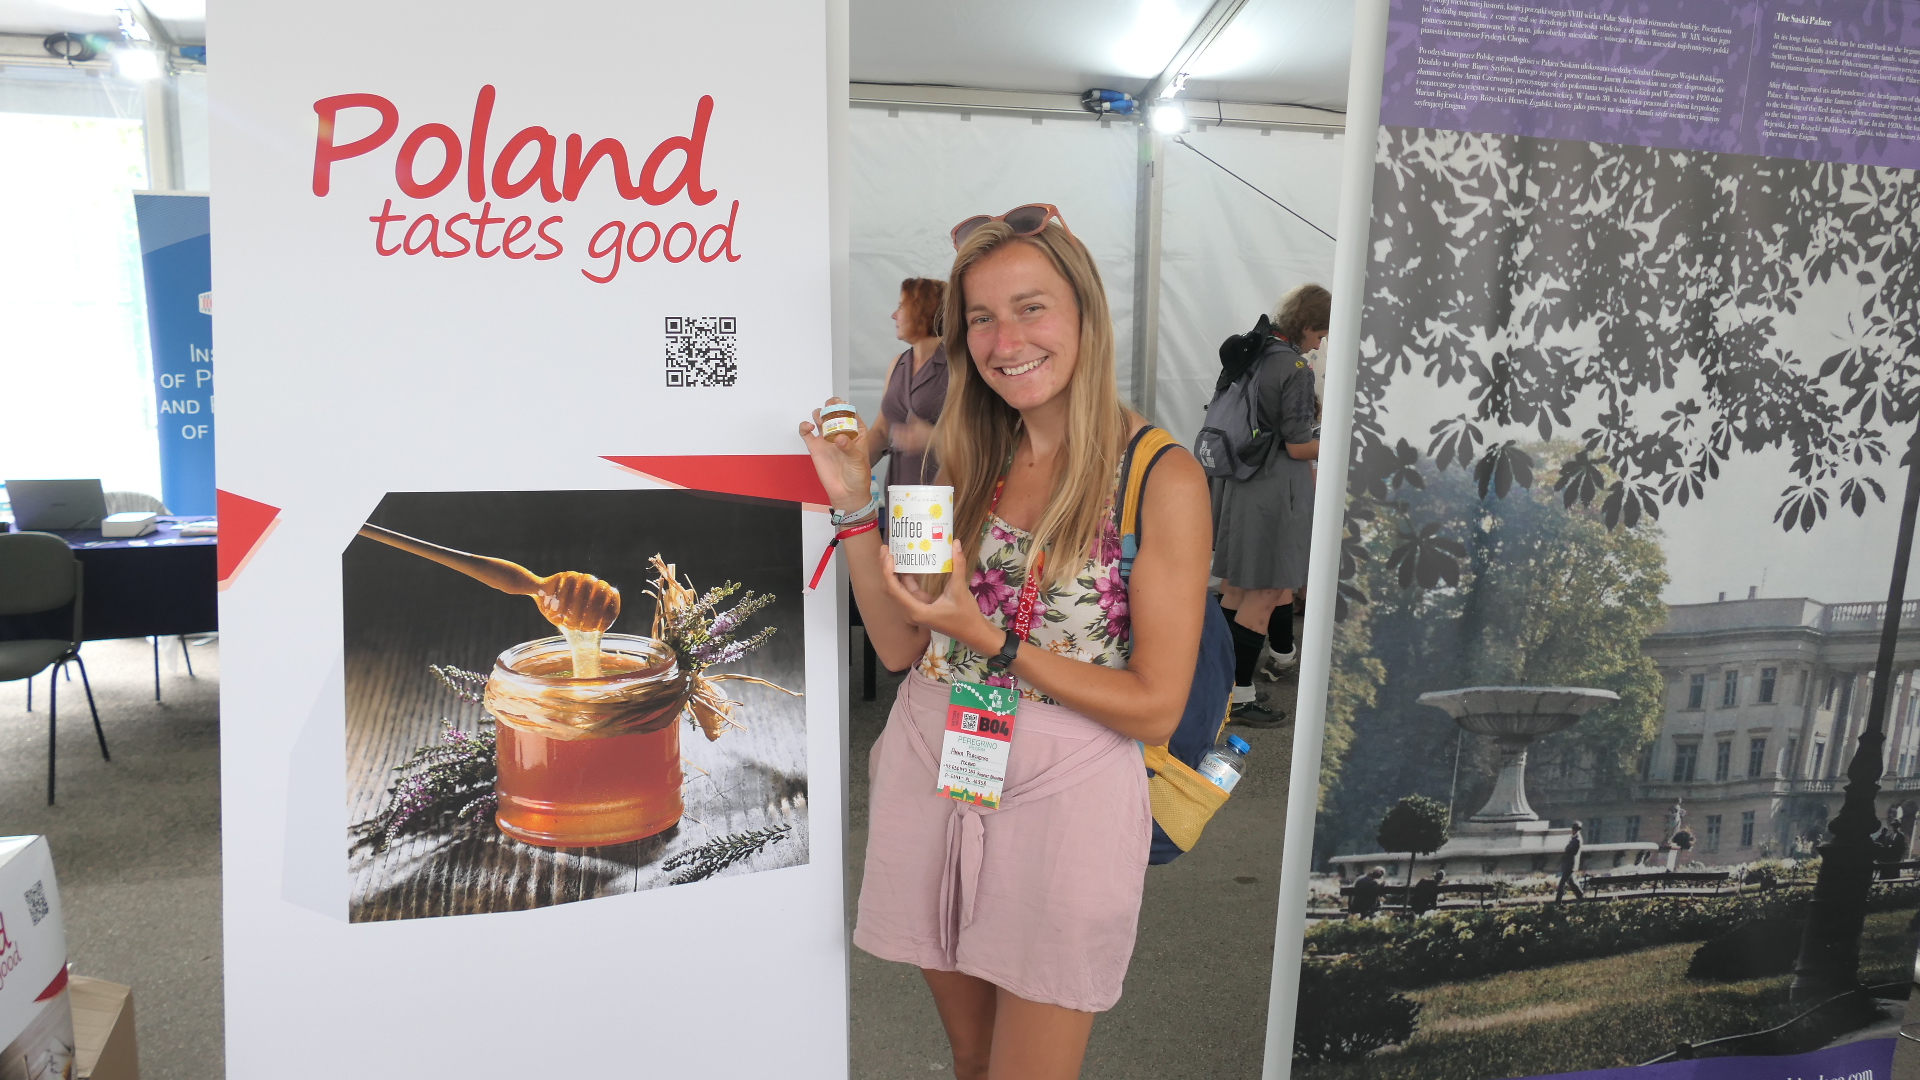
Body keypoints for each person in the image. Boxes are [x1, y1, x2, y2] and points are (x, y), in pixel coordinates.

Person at [800, 203, 1212, 1080]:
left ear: (1085, 314)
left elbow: (1155, 707)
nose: (1005, 340)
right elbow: (900, 644)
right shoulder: (963, 459)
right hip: (935, 756)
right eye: (981, 318)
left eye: (1031, 308)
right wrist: (854, 506)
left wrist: (989, 639)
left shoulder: (1159, 477)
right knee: (973, 1058)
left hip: (1066, 791)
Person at [1212, 284, 1329, 728]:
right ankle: (1239, 698)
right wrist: (1342, 442)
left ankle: (1218, 687)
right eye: (1320, 333)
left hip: (1240, 481)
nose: (1320, 342)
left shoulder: (1254, 351)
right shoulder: (1294, 367)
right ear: (1308, 324)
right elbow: (1298, 446)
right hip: (1275, 488)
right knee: (1263, 594)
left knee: (1235, 589)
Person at [870, 277, 949, 493]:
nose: (894, 315)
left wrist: (935, 438)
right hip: (900, 495)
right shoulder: (898, 363)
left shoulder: (960, 365)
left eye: (901, 306)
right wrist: (847, 469)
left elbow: (984, 438)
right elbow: (880, 432)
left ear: (924, 309)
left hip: (943, 497)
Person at [1555, 821, 1585, 902]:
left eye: (1575, 829)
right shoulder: (1574, 838)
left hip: (1570, 865)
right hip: (1569, 864)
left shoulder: (1577, 839)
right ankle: (1580, 896)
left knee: (1561, 883)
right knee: (1571, 882)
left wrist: (1567, 848)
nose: (1574, 831)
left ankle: (1558, 901)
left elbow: (1571, 850)